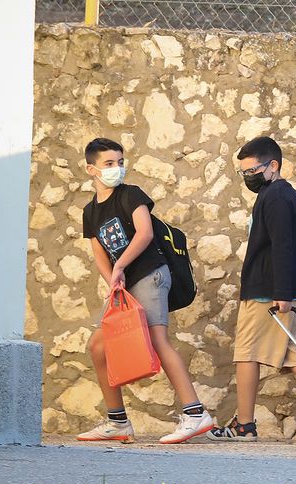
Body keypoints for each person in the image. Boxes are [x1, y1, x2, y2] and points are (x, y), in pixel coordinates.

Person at [75, 137, 216, 445]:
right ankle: (117, 422)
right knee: (98, 346)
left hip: (151, 274)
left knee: (157, 340)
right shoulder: (90, 212)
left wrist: (120, 266)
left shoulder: (131, 195)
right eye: (108, 163)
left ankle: (195, 414)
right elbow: (99, 253)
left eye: (120, 162)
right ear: (91, 169)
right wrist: (113, 280)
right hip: (125, 285)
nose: (116, 168)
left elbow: (145, 233)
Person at [210, 136, 296, 440]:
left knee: (246, 353)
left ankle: (244, 424)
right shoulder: (287, 195)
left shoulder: (274, 196)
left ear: (273, 165)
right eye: (244, 173)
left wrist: (282, 294)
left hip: (269, 292)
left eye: (252, 170)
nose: (248, 177)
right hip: (294, 289)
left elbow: (281, 246)